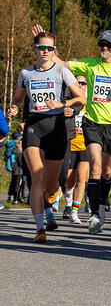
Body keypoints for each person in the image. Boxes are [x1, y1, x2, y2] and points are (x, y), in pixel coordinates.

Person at [33, 25, 111, 234]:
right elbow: (59, 63)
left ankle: (101, 200)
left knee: (108, 171)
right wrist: (46, 44)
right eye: (101, 44)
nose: (103, 48)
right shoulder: (90, 65)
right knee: (95, 167)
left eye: (108, 45)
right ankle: (95, 213)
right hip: (93, 122)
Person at [7, 31, 86, 242]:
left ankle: (50, 204)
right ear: (35, 49)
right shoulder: (26, 74)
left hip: (56, 128)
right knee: (37, 177)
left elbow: (81, 98)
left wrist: (63, 104)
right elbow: (18, 97)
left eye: (50, 48)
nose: (46, 51)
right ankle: (39, 229)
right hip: (34, 126)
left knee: (52, 184)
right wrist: (14, 108)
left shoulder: (62, 72)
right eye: (42, 47)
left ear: (54, 50)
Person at [63, 76, 90, 224]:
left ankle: (74, 211)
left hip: (85, 145)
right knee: (69, 180)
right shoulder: (67, 100)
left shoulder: (90, 103)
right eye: (77, 82)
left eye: (83, 83)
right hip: (71, 144)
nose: (80, 84)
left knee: (81, 178)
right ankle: (67, 199)